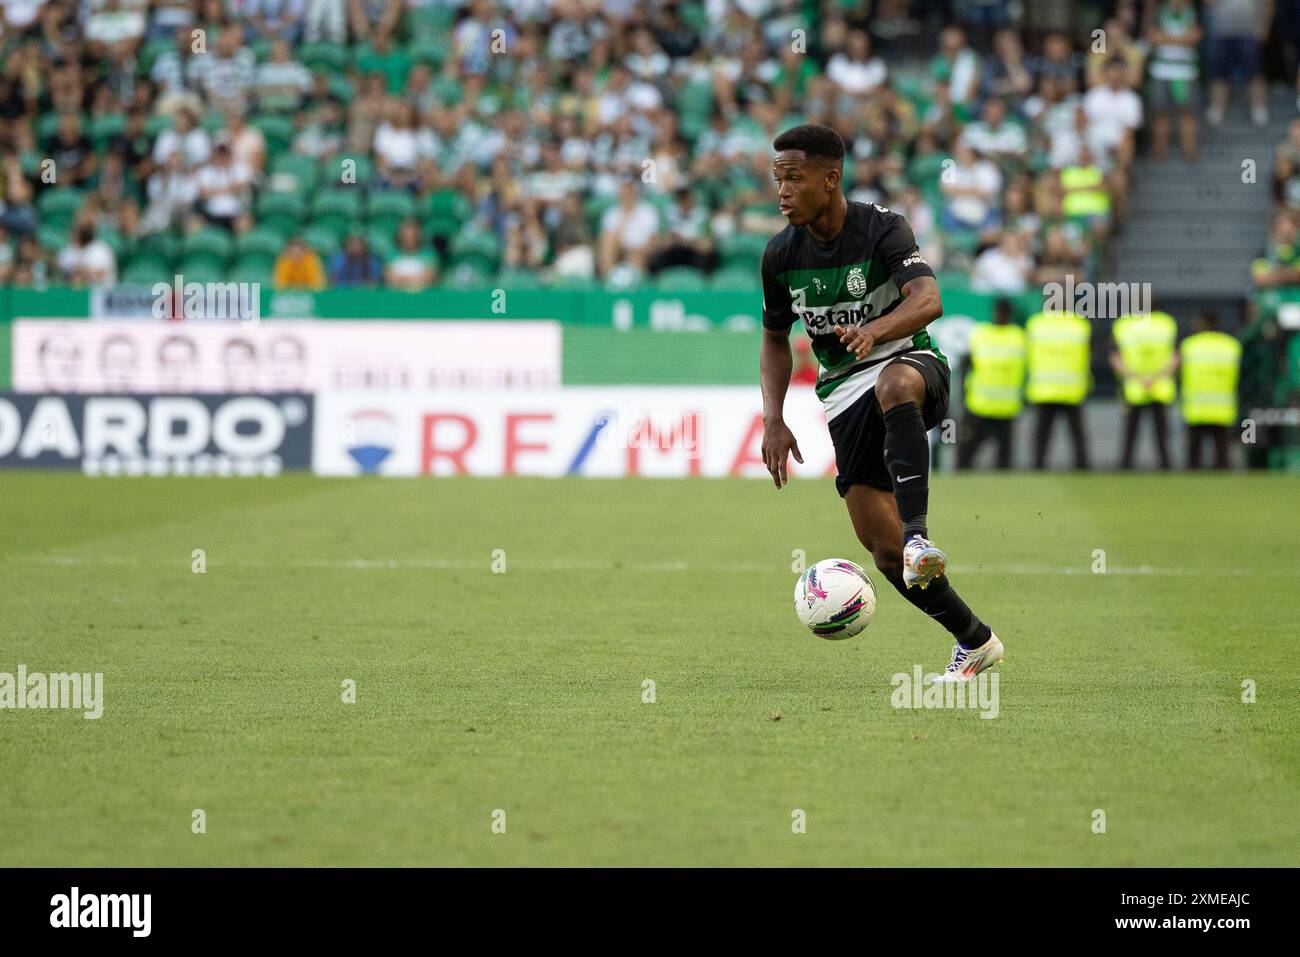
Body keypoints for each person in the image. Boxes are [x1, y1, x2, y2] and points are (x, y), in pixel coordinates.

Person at [759, 124, 1003, 685]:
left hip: (914, 365)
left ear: (831, 177)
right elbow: (774, 337)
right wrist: (773, 418)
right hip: (844, 393)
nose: (784, 191)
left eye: (795, 178)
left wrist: (877, 329)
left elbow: (929, 299)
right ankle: (974, 641)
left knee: (894, 383)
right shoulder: (779, 256)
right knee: (881, 549)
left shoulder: (883, 229)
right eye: (778, 179)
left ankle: (921, 536)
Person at [959, 297, 1026, 469]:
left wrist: (964, 394)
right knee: (997, 455)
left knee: (971, 453)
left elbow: (966, 365)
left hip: (989, 404)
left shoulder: (982, 333)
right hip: (990, 404)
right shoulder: (1017, 336)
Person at [1111, 307, 1179, 469]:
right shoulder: (1166, 323)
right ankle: (1165, 467)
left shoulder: (1123, 324)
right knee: (1162, 435)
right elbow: (1175, 357)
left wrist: (1137, 378)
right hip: (1159, 387)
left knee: (1130, 435)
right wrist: (1154, 378)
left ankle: (1125, 466)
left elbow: (1115, 357)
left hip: (1133, 388)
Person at [1026, 306, 1091, 469]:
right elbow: (1089, 352)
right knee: (1077, 435)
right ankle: (1082, 468)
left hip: (1044, 389)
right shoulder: (1079, 324)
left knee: (1041, 436)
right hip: (1072, 389)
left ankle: (1038, 467)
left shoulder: (1036, 324)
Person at [1179, 311, 1241, 469]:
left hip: (1196, 407)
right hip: (1222, 407)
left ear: (1202, 323)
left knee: (1194, 454)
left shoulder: (1189, 345)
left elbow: (1178, 371)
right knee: (1222, 452)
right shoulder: (1231, 345)